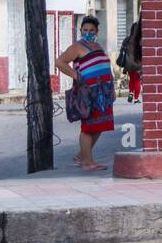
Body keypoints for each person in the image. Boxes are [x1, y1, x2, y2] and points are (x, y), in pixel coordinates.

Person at [55, 15, 116, 171]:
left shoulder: (98, 46)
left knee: (101, 124)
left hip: (103, 93)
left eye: (91, 30)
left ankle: (82, 156)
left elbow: (106, 68)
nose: (88, 32)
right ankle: (87, 163)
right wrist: (76, 76)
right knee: (88, 127)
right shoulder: (77, 47)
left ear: (97, 31)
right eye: (85, 30)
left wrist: (112, 89)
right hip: (87, 93)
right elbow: (59, 62)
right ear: (81, 30)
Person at [119, 19, 142, 103]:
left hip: (128, 64)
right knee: (137, 81)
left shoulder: (126, 39)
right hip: (137, 63)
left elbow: (122, 51)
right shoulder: (140, 41)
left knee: (131, 79)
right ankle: (136, 98)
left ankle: (131, 93)